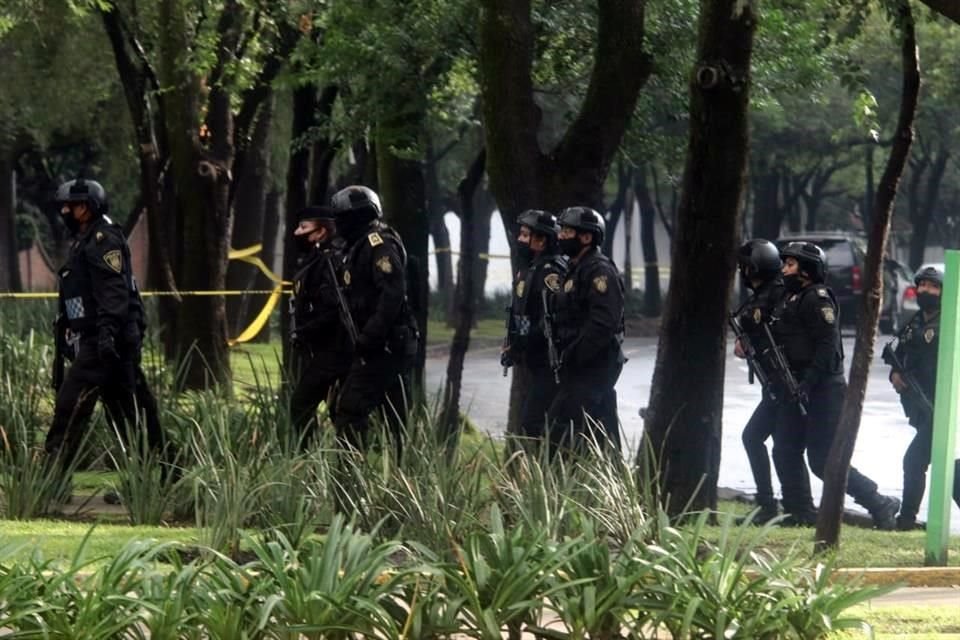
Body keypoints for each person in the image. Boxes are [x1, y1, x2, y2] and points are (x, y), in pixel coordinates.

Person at [46, 178, 167, 493]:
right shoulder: (86, 239)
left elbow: (113, 293)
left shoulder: (103, 240)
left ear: (86, 208)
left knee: (70, 407)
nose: (64, 211)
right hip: (101, 341)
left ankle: (50, 483)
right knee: (132, 412)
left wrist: (105, 335)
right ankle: (168, 472)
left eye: (70, 206)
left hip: (105, 344)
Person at [771, 241, 900, 529]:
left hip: (824, 389)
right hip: (797, 386)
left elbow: (827, 346)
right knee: (784, 449)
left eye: (790, 264)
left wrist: (809, 382)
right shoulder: (790, 298)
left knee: (823, 460)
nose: (784, 269)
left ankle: (878, 501)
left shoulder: (817, 299)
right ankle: (799, 511)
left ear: (806, 271)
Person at [329, 185, 419, 453]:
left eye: (343, 218)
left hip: (387, 343)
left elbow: (392, 294)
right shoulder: (356, 246)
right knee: (393, 415)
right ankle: (398, 476)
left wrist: (370, 335)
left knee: (350, 408)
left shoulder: (379, 244)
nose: (339, 224)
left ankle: (349, 482)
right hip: (379, 342)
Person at [732, 239, 813, 524]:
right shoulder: (761, 294)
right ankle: (769, 505)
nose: (741, 272)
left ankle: (800, 509)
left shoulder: (778, 292)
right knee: (755, 437)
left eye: (744, 267)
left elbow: (782, 331)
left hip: (790, 382)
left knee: (785, 446)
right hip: (774, 383)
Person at [884, 265, 960, 528]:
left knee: (915, 460)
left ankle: (905, 521)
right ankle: (906, 521)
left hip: (942, 406)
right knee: (944, 463)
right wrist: (895, 373)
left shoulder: (952, 323)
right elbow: (895, 352)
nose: (926, 290)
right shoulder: (913, 321)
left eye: (934, 286)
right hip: (919, 405)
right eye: (923, 285)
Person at [547, 206, 625, 454]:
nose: (561, 236)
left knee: (567, 427)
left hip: (594, 364)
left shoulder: (599, 271)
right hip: (578, 365)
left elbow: (603, 324)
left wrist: (574, 354)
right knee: (597, 430)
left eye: (568, 231)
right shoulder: (575, 268)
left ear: (586, 237)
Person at [288, 205, 352, 448]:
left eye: (304, 228)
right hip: (322, 348)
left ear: (321, 231)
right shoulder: (316, 259)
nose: (297, 233)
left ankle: (310, 463)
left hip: (333, 348)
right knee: (334, 408)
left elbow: (334, 307)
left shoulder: (330, 261)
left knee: (302, 404)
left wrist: (306, 330)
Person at [501, 210, 567, 444]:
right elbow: (524, 315)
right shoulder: (529, 269)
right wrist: (515, 346)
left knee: (536, 424)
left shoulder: (550, 273)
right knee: (532, 425)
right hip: (534, 361)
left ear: (541, 240)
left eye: (525, 234)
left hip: (551, 364)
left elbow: (552, 319)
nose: (520, 239)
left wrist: (522, 342)